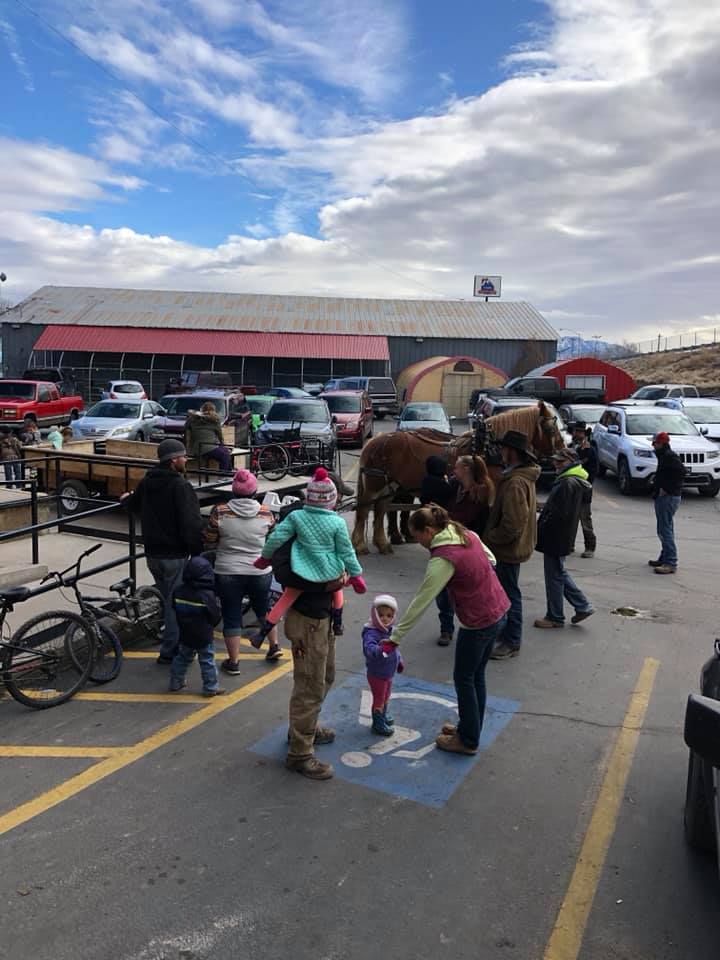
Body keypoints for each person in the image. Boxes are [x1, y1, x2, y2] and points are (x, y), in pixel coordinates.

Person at [391, 505, 509, 755]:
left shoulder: (443, 558)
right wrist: (476, 580)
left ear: (429, 530)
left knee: (464, 679)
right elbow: (491, 560)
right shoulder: (466, 534)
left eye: (418, 536)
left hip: (476, 622)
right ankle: (470, 727)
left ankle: (467, 740)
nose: (418, 542)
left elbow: (422, 600)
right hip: (498, 609)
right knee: (476, 676)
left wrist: (395, 637)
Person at [251, 468, 366, 643]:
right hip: (329, 570)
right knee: (337, 590)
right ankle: (337, 623)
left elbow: (276, 539)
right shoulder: (338, 523)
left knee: (286, 598)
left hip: (301, 567)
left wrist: (264, 558)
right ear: (333, 498)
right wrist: (356, 575)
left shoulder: (296, 516)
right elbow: (347, 552)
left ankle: (262, 634)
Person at [122, 439, 203, 664]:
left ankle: (173, 643)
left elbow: (133, 504)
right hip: (174, 555)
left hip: (153, 554)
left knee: (168, 599)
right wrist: (197, 553)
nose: (186, 460)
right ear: (173, 460)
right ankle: (171, 651)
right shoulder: (181, 486)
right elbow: (191, 523)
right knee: (175, 604)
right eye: (183, 456)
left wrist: (126, 500)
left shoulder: (148, 481)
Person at [203, 467, 283, 672]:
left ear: (234, 490)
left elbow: (209, 541)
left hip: (227, 570)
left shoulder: (220, 511)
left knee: (231, 615)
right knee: (264, 608)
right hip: (260, 571)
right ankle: (274, 646)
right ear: (254, 491)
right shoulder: (266, 513)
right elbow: (272, 542)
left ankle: (234, 662)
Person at [484, 430, 541, 660]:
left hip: (507, 550)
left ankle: (512, 641)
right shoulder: (517, 477)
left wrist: (491, 538)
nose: (501, 452)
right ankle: (508, 634)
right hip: (511, 548)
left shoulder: (515, 482)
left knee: (509, 596)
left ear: (512, 452)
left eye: (504, 449)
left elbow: (513, 523)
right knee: (508, 593)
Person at [436, 454, 495, 647]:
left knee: (469, 592)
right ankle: (446, 629)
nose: (454, 470)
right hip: (450, 543)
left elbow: (465, 518)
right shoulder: (456, 486)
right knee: (443, 589)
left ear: (466, 469)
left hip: (469, 547)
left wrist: (441, 515)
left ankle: (476, 627)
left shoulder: (481, 491)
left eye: (457, 467)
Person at [285, 583, 342, 781]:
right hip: (307, 620)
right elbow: (285, 574)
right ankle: (300, 754)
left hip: (324, 617)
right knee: (310, 687)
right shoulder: (294, 557)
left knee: (326, 677)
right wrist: (329, 583)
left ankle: (304, 730)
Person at [534, 449, 594, 629]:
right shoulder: (572, 480)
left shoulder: (567, 482)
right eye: (556, 460)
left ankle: (555, 616)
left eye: (561, 461)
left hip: (557, 536)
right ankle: (582, 606)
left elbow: (558, 513)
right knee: (558, 573)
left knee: (554, 576)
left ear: (571, 461)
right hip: (561, 536)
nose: (556, 464)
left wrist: (541, 525)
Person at [169, 556, 226, 697]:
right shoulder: (207, 595)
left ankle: (176, 682)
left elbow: (173, 607)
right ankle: (210, 687)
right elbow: (215, 615)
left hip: (185, 632)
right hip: (203, 634)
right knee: (207, 660)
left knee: (182, 658)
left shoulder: (179, 591)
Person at [362, 594, 404, 736]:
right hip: (377, 674)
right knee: (379, 699)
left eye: (389, 615)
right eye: (380, 615)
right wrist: (383, 649)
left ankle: (383, 716)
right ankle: (378, 724)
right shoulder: (371, 633)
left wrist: (399, 661)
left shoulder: (390, 630)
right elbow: (370, 651)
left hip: (388, 672)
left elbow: (395, 649)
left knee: (386, 696)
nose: (385, 619)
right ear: (374, 615)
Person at [649, 430, 684, 574]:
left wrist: (667, 489)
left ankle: (670, 562)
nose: (653, 445)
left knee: (665, 530)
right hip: (665, 496)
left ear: (662, 443)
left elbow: (681, 472)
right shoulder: (664, 456)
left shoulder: (670, 457)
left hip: (668, 497)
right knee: (665, 528)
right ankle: (664, 557)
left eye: (655, 443)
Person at [570, 421, 598, 558]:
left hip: (583, 490)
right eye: (575, 431)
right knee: (570, 520)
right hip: (570, 489)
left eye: (579, 432)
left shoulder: (589, 450)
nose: (576, 434)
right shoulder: (572, 447)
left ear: (584, 433)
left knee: (585, 520)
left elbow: (593, 471)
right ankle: (569, 545)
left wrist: (585, 485)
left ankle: (590, 547)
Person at [185, 401, 232, 472]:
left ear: (202, 409)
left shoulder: (192, 419)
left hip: (197, 448)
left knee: (225, 451)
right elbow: (220, 437)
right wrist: (223, 446)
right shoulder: (214, 420)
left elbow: (186, 430)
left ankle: (228, 472)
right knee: (224, 454)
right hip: (208, 448)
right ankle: (224, 474)